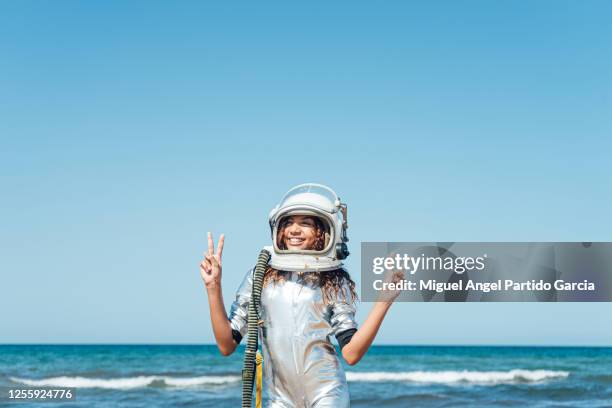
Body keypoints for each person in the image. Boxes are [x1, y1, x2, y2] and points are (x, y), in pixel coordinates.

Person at [200, 183, 402, 408]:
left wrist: (384, 301)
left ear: (323, 231)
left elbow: (352, 354)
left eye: (305, 223)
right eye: (288, 222)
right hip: (280, 400)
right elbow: (226, 345)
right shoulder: (259, 276)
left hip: (328, 395)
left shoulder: (333, 281)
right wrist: (213, 287)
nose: (294, 230)